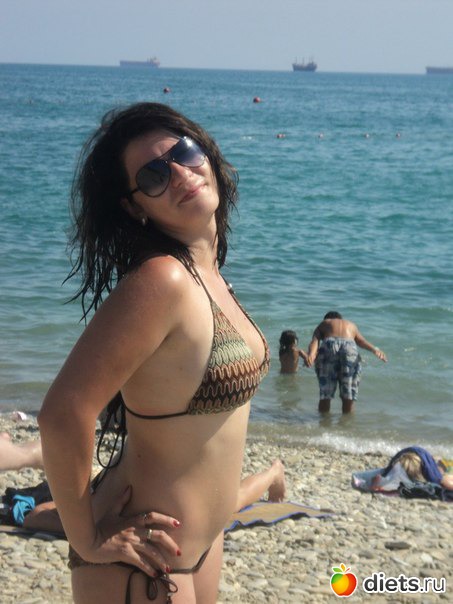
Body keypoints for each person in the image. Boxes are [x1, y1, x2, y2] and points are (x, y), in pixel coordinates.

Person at [37, 102, 270, 604]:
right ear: (134, 207)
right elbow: (62, 413)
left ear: (206, 152)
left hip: (200, 544)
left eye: (184, 152)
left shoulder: (208, 273)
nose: (181, 174)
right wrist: (86, 539)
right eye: (153, 175)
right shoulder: (163, 280)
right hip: (144, 558)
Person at [0, 433, 286, 535]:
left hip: (122, 479)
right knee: (229, 502)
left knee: (229, 502)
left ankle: (275, 471)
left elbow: (36, 516)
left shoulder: (102, 509)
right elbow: (37, 516)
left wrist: (90, 537)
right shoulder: (105, 506)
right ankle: (274, 472)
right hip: (127, 477)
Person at [306, 311, 387, 414]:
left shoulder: (325, 323)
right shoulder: (351, 325)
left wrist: (311, 355)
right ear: (341, 319)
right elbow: (361, 341)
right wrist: (375, 350)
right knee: (348, 395)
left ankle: (323, 421)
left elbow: (315, 341)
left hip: (329, 346)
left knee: (325, 395)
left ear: (327, 319)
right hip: (349, 347)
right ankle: (347, 423)